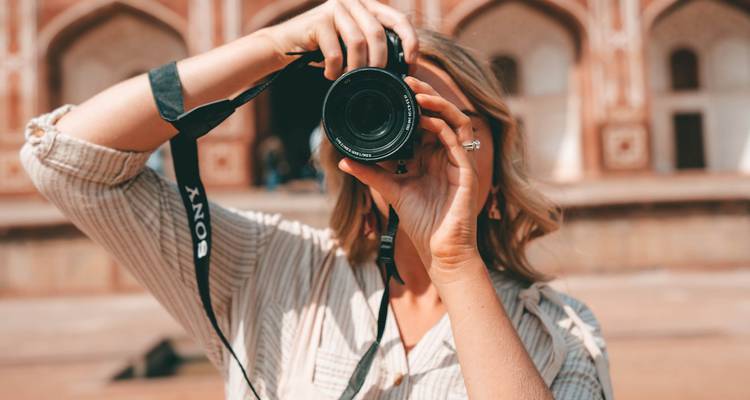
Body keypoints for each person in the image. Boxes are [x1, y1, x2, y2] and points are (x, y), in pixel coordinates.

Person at [19, 0, 613, 399]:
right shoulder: (266, 268)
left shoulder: (559, 332)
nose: (418, 138)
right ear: (348, 149)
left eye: (439, 118)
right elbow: (65, 161)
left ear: (496, 146)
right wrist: (271, 45)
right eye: (392, 114)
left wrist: (455, 264)